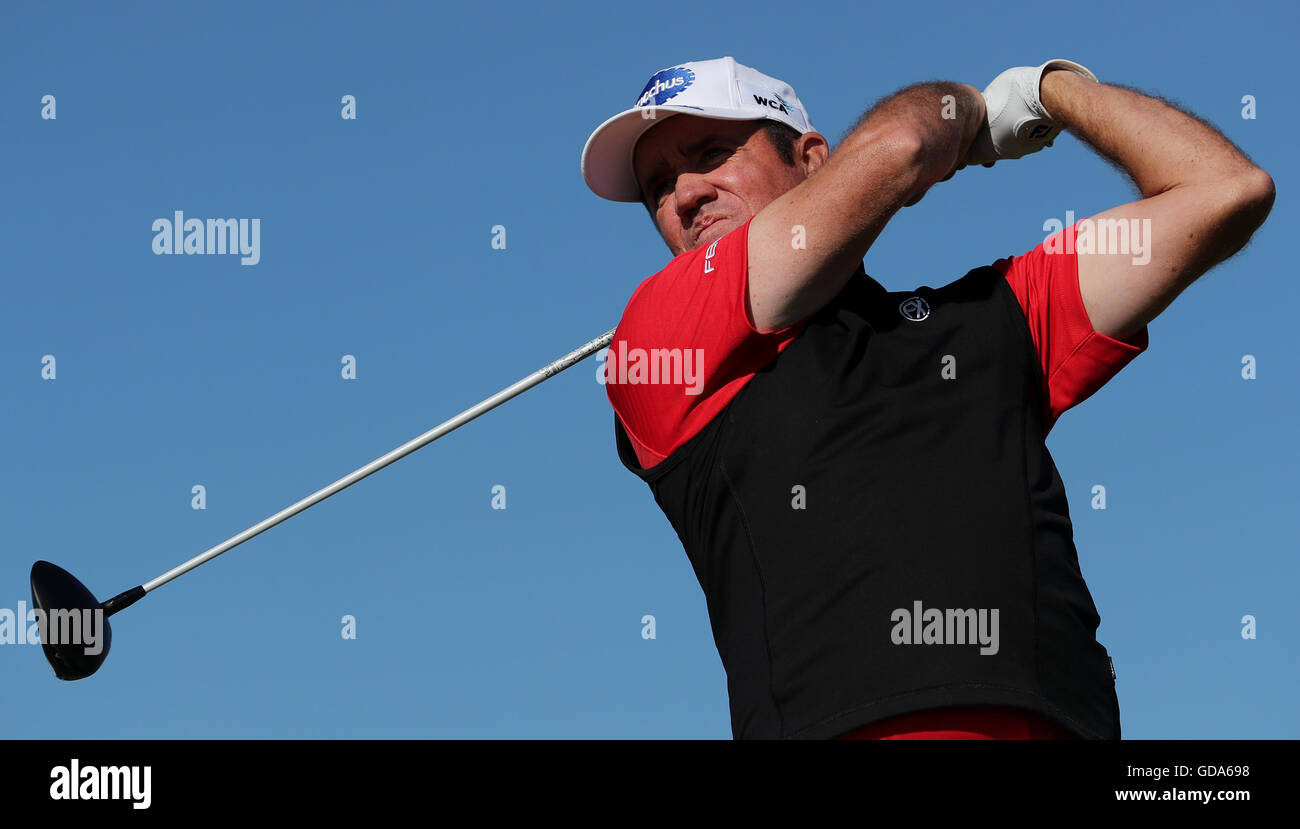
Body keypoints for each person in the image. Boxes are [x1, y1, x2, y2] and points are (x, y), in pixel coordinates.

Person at [580, 56, 1274, 739]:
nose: (684, 194)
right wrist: (967, 111)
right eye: (658, 187)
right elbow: (904, 145)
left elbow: (1225, 189)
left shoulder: (992, 318)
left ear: (815, 158)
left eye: (712, 153)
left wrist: (1051, 92)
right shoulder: (660, 336)